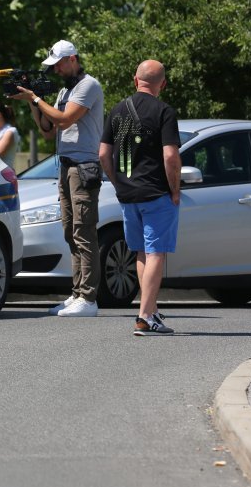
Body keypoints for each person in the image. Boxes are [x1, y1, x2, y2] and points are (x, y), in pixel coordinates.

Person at [10, 39, 103, 317]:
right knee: (70, 231)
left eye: (59, 64)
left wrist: (37, 98)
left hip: (83, 166)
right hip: (65, 166)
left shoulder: (89, 85)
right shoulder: (65, 90)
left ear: (72, 59)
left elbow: (65, 120)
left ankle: (89, 297)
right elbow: (49, 130)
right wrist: (33, 104)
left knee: (84, 232)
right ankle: (76, 294)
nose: (56, 70)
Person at [99, 60, 181, 336]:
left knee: (142, 252)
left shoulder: (118, 109)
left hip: (127, 195)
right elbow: (170, 155)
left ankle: (151, 309)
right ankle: (145, 316)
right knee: (157, 251)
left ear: (135, 80)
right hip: (156, 192)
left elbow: (102, 154)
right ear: (163, 84)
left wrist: (117, 181)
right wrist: (175, 189)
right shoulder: (164, 111)